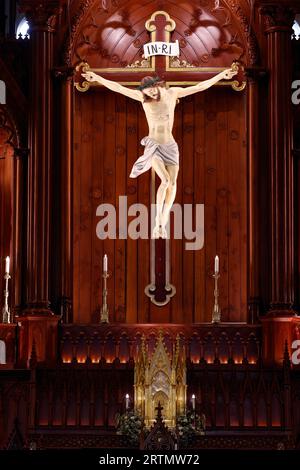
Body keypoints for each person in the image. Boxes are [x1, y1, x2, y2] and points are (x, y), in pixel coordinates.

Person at [82, 65, 238, 238]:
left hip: (170, 146)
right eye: (148, 94)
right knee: (164, 181)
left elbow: (200, 86)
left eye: (153, 92)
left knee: (172, 184)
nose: (152, 96)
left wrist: (222, 75)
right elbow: (118, 88)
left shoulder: (172, 94)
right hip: (154, 145)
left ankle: (163, 223)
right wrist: (96, 77)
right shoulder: (142, 98)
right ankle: (157, 222)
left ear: (158, 85)